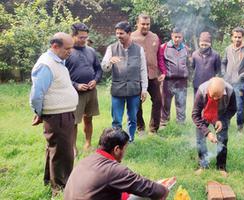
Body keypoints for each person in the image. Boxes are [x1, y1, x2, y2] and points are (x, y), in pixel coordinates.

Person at [29, 32, 78, 196]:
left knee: (56, 150)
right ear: (55, 46)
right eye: (67, 48)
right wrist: (39, 112)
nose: (70, 51)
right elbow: (37, 94)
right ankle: (60, 188)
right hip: (57, 116)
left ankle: (51, 182)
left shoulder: (58, 61)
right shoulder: (46, 64)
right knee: (62, 153)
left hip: (64, 113)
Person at [64, 127, 169, 200]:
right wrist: (164, 189)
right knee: (148, 195)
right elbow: (150, 188)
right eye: (125, 148)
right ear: (117, 149)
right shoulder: (113, 169)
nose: (125, 152)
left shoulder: (86, 160)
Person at [101, 21, 148, 142]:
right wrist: (109, 61)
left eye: (121, 33)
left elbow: (143, 70)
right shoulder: (111, 48)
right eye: (117, 33)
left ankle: (130, 140)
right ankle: (117, 142)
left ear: (129, 33)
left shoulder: (139, 49)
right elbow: (104, 68)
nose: (118, 36)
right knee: (116, 118)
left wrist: (144, 89)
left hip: (134, 89)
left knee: (132, 118)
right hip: (118, 89)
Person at [65, 22, 102, 152]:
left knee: (89, 118)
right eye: (81, 37)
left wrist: (95, 80)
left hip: (91, 91)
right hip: (75, 93)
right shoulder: (67, 52)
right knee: (73, 121)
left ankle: (88, 143)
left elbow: (98, 69)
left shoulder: (91, 51)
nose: (84, 40)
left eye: (85, 37)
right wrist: (76, 85)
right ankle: (73, 148)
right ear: (73, 36)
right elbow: (62, 75)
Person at [192, 77, 236, 177]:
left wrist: (222, 120)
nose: (215, 99)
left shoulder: (230, 91)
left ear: (223, 90)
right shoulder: (201, 90)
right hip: (205, 114)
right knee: (200, 138)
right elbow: (195, 114)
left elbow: (233, 109)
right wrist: (207, 132)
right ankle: (203, 165)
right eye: (213, 96)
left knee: (223, 139)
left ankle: (221, 167)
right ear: (208, 90)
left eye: (218, 96)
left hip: (221, 115)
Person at [131, 14, 167, 135]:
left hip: (153, 75)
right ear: (137, 23)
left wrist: (163, 71)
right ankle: (140, 128)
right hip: (137, 77)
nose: (145, 26)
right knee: (137, 103)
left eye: (147, 24)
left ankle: (153, 129)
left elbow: (159, 56)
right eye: (143, 24)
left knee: (158, 100)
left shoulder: (155, 37)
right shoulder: (131, 38)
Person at [221, 27, 244, 133]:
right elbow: (223, 62)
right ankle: (225, 124)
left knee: (239, 107)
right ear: (232, 37)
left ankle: (240, 129)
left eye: (239, 37)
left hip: (239, 84)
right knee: (225, 105)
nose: (237, 39)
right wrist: (224, 73)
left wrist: (242, 76)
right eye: (235, 37)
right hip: (227, 82)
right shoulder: (228, 49)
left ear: (243, 37)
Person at [160, 27, 189, 127]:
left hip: (182, 80)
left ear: (182, 37)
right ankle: (164, 123)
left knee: (181, 101)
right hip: (168, 80)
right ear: (172, 36)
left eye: (179, 37)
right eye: (175, 37)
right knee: (165, 103)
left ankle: (181, 123)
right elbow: (160, 62)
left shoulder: (186, 48)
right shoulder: (164, 47)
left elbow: (188, 63)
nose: (177, 39)